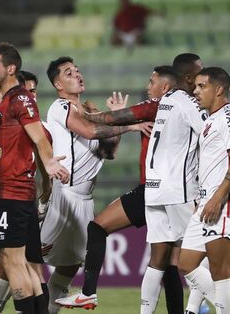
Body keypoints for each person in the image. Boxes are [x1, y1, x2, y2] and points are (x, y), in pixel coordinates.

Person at [57, 65, 185, 313]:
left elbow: (103, 121)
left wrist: (74, 113)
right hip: (174, 191)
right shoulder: (183, 110)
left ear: (166, 87)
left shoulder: (155, 105)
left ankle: (88, 293)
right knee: (168, 262)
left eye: (152, 81)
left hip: (152, 189)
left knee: (97, 227)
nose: (148, 86)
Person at [41, 57, 152, 314]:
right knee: (30, 257)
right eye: (69, 73)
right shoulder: (60, 107)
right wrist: (130, 124)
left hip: (84, 199)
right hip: (64, 197)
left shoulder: (89, 112)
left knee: (68, 267)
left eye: (78, 70)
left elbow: (108, 152)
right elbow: (91, 132)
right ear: (58, 84)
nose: (77, 75)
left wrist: (117, 121)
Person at [0, 42, 69, 314]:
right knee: (24, 263)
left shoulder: (19, 100)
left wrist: (48, 161)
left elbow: (38, 137)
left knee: (11, 262)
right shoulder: (9, 101)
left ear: (10, 68)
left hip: (12, 194)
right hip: (11, 194)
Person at [177, 67, 230, 314]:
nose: (195, 91)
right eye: (195, 86)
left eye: (201, 86)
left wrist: (217, 199)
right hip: (207, 203)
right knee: (185, 263)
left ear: (218, 89)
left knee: (220, 272)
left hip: (224, 203)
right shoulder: (210, 120)